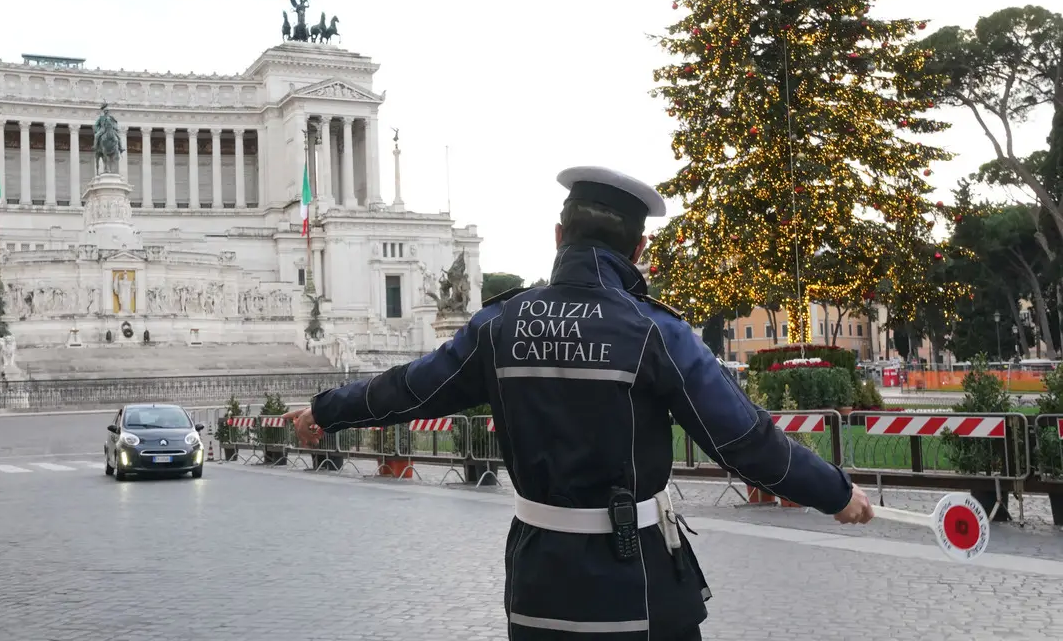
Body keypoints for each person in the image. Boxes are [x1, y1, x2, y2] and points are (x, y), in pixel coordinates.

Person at [285, 165, 874, 640]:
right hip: (635, 582)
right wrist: (834, 492)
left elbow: (407, 390)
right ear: (638, 248)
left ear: (560, 236)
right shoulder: (655, 333)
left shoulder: (499, 325)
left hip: (539, 583)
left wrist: (326, 410)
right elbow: (743, 441)